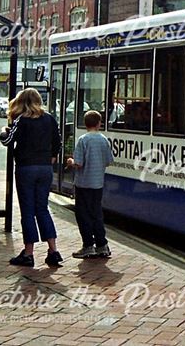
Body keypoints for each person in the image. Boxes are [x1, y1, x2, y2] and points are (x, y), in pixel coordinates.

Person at [0, 88, 63, 268]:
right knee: (42, 209)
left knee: (28, 211)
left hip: (26, 167)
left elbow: (7, 141)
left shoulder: (22, 120)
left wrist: (4, 130)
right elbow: (57, 141)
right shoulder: (49, 118)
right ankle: (53, 251)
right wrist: (51, 155)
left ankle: (28, 253)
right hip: (45, 168)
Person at [66, 110, 114, 259]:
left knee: (83, 215)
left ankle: (88, 245)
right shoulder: (103, 140)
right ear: (99, 124)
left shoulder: (83, 140)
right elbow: (108, 160)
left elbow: (79, 164)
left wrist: (70, 162)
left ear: (86, 124)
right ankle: (102, 245)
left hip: (83, 184)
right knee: (97, 214)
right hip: (98, 184)